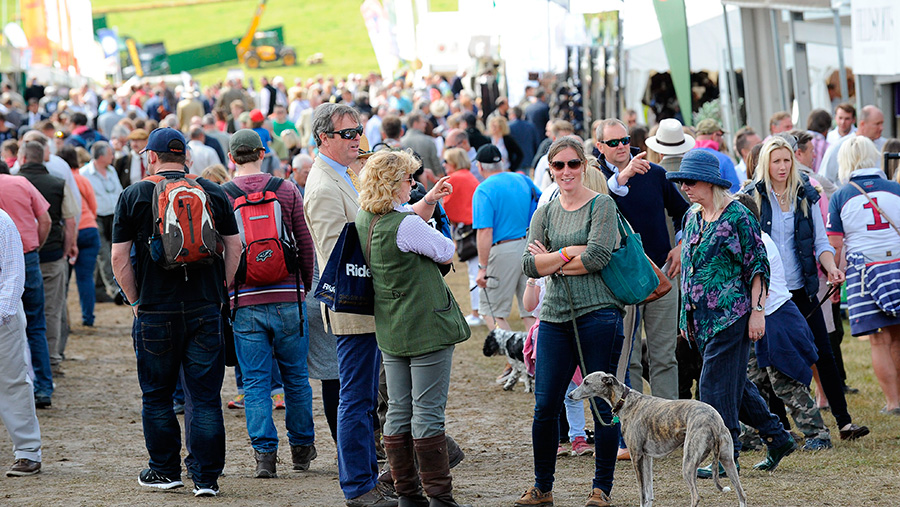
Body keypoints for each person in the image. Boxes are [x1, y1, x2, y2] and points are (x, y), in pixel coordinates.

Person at [111, 127, 241, 497]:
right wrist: (221, 290)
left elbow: (119, 257)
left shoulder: (134, 195)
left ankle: (164, 470)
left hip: (155, 308)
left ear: (150, 157)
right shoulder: (213, 191)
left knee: (157, 395)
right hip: (204, 306)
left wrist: (136, 302)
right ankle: (206, 479)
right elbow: (235, 246)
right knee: (204, 396)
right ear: (185, 156)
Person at [667, 149, 796, 477]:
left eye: (691, 182)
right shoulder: (692, 216)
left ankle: (726, 456)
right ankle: (778, 437)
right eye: (682, 181)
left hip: (732, 316)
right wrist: (685, 317)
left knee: (713, 387)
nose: (685, 187)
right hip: (700, 321)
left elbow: (758, 267)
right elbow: (690, 271)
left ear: (710, 183)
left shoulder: (737, 216)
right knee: (734, 386)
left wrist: (757, 313)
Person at [356, 149, 470, 507]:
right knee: (428, 411)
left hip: (392, 326)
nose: (413, 184)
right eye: (408, 179)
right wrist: (428, 216)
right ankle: (440, 497)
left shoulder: (366, 217)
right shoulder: (405, 224)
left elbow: (402, 218)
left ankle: (408, 494)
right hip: (426, 326)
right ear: (393, 184)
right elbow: (446, 250)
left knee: (400, 409)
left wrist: (430, 201)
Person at [517, 137, 624, 507]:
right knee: (545, 406)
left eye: (573, 164)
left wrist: (552, 260)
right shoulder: (543, 212)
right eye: (558, 166)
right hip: (554, 317)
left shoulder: (602, 205)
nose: (566, 172)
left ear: (585, 166)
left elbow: (597, 257)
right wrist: (567, 252)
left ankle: (601, 489)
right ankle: (542, 487)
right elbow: (529, 265)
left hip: (600, 315)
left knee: (602, 406)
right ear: (550, 169)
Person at [742, 137, 869, 442]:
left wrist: (831, 266)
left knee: (822, 351)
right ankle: (781, 427)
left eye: (787, 161)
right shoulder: (751, 197)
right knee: (769, 356)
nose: (783, 167)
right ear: (765, 164)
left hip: (803, 286)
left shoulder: (806, 195)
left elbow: (821, 242)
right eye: (777, 161)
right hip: (769, 291)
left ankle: (844, 422)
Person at [302, 103, 398, 507]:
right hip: (353, 307)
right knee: (356, 399)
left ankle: (396, 468)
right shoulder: (324, 186)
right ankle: (359, 486)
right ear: (323, 138)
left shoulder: (347, 174)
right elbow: (337, 259)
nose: (356, 138)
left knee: (371, 396)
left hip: (371, 304)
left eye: (358, 131)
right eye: (347, 133)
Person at [224, 129, 317, 478]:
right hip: (288, 298)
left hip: (244, 302)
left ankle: (265, 455)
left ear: (232, 158)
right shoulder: (286, 189)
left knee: (256, 382)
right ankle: (301, 448)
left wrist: (228, 291)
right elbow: (304, 243)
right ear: (262, 153)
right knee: (296, 379)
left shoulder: (223, 194)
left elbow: (222, 250)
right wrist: (303, 286)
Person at [595, 118, 687, 404]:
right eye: (613, 142)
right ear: (600, 146)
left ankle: (670, 422)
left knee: (664, 356)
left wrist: (681, 246)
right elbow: (596, 207)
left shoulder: (654, 173)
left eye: (625, 141)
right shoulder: (593, 176)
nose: (622, 147)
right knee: (626, 358)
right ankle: (632, 428)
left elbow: (685, 211)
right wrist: (620, 180)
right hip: (621, 280)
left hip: (662, 271)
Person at [733, 194, 833, 451]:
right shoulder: (749, 241)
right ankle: (754, 435)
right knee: (752, 383)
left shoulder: (759, 243)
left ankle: (818, 434)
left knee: (786, 383)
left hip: (775, 319)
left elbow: (758, 287)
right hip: (759, 321)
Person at [828, 136, 900, 415]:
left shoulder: (841, 195)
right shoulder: (895, 189)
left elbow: (837, 244)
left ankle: (893, 402)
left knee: (877, 339)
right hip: (897, 265)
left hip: (864, 272)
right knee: (897, 335)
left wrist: (835, 277)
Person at [18, 141, 78, 377]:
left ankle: (24, 364)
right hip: (51, 253)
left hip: (19, 253)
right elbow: (69, 220)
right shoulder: (57, 182)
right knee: (51, 309)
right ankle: (51, 360)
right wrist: (68, 247)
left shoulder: (12, 182)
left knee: (19, 311)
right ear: (44, 158)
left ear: (22, 158)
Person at [0, 166, 53, 408]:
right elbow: (45, 220)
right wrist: (36, 247)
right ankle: (43, 386)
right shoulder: (20, 183)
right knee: (36, 325)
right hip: (27, 256)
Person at [472, 144, 540, 332]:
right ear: (501, 162)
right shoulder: (523, 179)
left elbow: (484, 231)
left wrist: (482, 268)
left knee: (492, 311)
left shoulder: (483, 190)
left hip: (503, 250)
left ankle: (515, 359)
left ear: (480, 166)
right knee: (530, 311)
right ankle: (535, 357)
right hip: (529, 246)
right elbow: (542, 205)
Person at [0, 208, 43, 477]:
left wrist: (3, 312)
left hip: (3, 318)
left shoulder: (2, 222)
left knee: (13, 382)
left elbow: (14, 273)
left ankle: (27, 451)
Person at [58, 146, 100, 327]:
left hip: (69, 230)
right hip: (89, 228)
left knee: (64, 280)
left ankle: (62, 319)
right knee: (86, 278)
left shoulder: (60, 180)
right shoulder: (83, 180)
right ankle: (88, 317)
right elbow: (94, 206)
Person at [441, 147, 482, 326]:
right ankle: (479, 311)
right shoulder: (468, 176)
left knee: (475, 273)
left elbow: (447, 207)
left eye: (446, 162)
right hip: (476, 228)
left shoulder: (456, 178)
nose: (444, 165)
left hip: (470, 231)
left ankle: (477, 312)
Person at [80, 141, 124, 305]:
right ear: (101, 156)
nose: (113, 156)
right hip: (96, 217)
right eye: (110, 153)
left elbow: (118, 191)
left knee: (110, 253)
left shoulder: (111, 170)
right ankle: (115, 290)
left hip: (113, 216)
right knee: (104, 254)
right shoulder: (85, 173)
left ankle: (100, 288)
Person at [819, 105, 887, 188]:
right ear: (862, 124)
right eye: (877, 124)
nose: (881, 128)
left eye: (882, 123)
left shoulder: (885, 146)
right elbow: (824, 180)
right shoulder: (840, 146)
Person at [692, 119, 741, 192]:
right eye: (721, 135)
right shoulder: (724, 159)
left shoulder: (686, 158)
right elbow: (735, 190)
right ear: (714, 135)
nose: (721, 139)